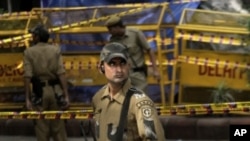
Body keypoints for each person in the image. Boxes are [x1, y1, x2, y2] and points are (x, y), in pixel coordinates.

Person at [92, 42, 165, 141]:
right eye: (112, 64)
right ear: (101, 67)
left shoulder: (139, 102)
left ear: (129, 66)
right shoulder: (98, 98)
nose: (119, 70)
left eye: (122, 63)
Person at [23, 24, 69, 141]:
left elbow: (27, 76)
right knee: (58, 127)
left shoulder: (29, 52)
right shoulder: (55, 50)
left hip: (39, 93)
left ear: (38, 37)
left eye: (33, 35)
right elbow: (61, 73)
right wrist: (66, 95)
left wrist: (27, 99)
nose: (32, 37)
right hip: (56, 91)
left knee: (41, 128)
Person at [104, 15, 161, 92]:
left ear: (117, 27)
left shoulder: (135, 33)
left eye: (111, 29)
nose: (109, 32)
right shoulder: (113, 41)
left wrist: (155, 70)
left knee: (140, 100)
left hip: (137, 74)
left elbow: (149, 50)